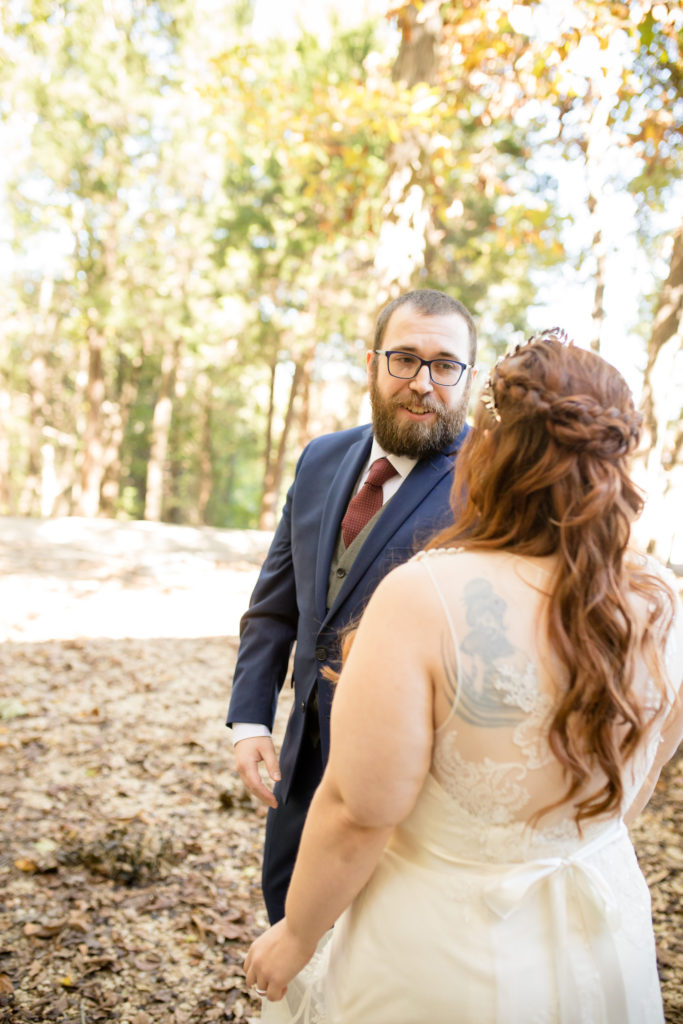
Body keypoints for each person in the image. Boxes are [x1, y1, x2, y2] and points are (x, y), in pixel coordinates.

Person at [244, 329, 683, 1023]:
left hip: (445, 946)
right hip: (601, 924)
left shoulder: (425, 596)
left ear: (489, 453)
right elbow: (644, 767)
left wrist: (297, 934)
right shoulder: (661, 600)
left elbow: (358, 813)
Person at [227, 288, 478, 923]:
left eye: (445, 365)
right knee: (286, 914)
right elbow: (275, 603)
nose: (423, 383)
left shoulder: (491, 484)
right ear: (371, 363)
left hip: (417, 784)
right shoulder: (320, 458)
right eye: (404, 358)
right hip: (302, 755)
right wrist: (251, 721)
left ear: (468, 376)